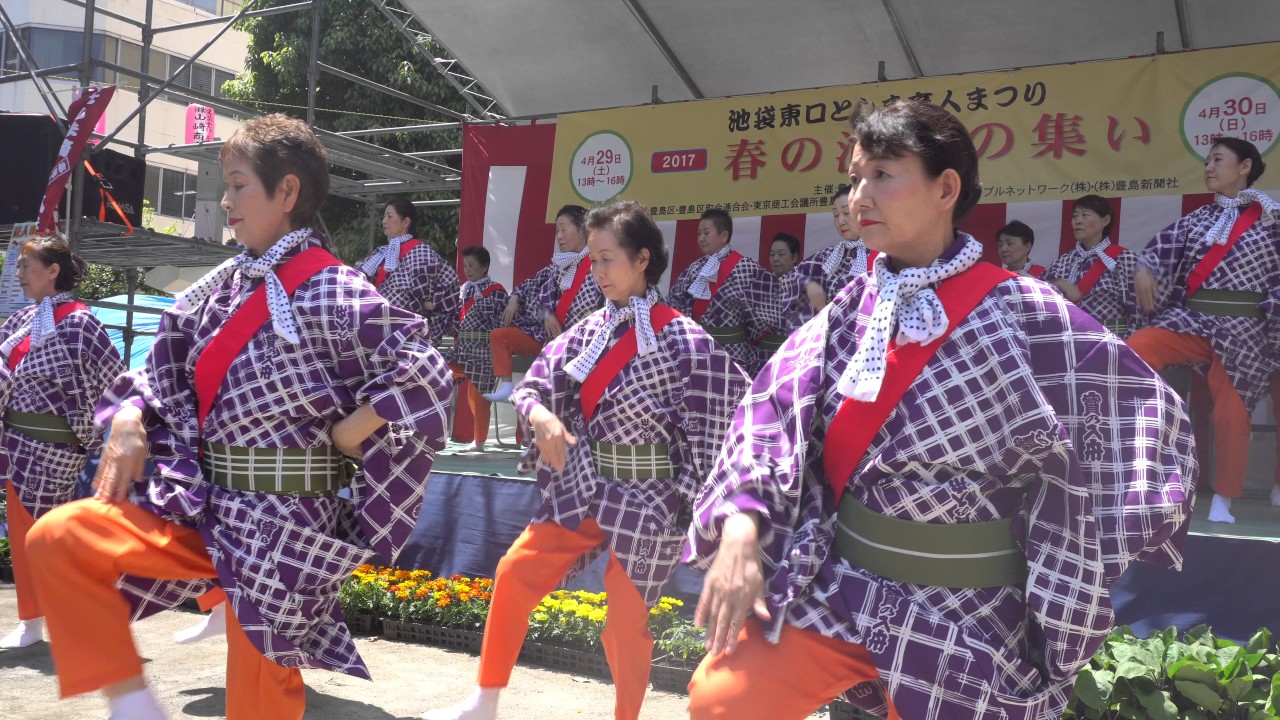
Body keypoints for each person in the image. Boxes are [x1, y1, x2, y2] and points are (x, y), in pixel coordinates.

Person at [683, 100, 1196, 720]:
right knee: (721, 701)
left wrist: (1081, 542)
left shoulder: (1028, 311)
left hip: (973, 614)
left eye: (881, 175)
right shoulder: (849, 310)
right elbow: (769, 413)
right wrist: (740, 522)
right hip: (843, 589)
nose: (859, 196)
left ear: (945, 188)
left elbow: (1145, 415)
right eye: (853, 178)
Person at [23, 114, 452, 720]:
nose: (225, 201)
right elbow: (155, 370)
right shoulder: (219, 286)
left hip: (284, 527)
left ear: (287, 193)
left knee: (259, 705)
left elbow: (425, 372)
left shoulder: (335, 289)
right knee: (58, 538)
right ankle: (132, 704)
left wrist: (352, 428)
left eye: (238, 184)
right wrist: (127, 416)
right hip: (204, 504)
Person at [422, 200, 750, 720]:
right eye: (592, 261)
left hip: (652, 500)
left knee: (624, 623)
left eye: (606, 259)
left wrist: (700, 498)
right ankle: (485, 699)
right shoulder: (590, 329)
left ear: (643, 259)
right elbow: (532, 386)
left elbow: (741, 410)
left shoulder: (685, 338)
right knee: (513, 573)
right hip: (586, 484)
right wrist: (542, 416)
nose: (596, 273)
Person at [1128, 137, 1280, 524]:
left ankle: (1224, 500)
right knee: (1134, 349)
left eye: (1217, 159)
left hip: (1246, 333)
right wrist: (1144, 268)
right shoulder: (1195, 220)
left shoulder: (1273, 218)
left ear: (1245, 166)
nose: (1208, 167)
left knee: (1230, 413)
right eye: (1207, 160)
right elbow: (1158, 250)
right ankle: (1132, 454)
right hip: (1193, 321)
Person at [0, 238, 124, 649]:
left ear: (53, 271)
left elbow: (118, 381)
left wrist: (112, 436)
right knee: (24, 535)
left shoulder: (82, 321)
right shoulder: (20, 319)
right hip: (15, 441)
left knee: (56, 537)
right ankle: (33, 621)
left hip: (57, 447)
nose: (19, 274)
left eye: (25, 265)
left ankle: (82, 614)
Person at [483, 205, 602, 402]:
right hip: (552, 343)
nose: (559, 236)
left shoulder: (600, 266)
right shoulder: (555, 268)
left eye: (564, 229)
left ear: (582, 230)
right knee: (531, 400)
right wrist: (540, 312)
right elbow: (527, 291)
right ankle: (507, 387)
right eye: (557, 230)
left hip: (584, 348)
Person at [667, 208, 784, 376]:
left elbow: (767, 316)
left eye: (707, 233)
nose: (701, 238)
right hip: (698, 351)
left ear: (724, 236)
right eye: (699, 233)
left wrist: (747, 339)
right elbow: (676, 305)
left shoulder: (746, 268)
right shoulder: (693, 269)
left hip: (733, 354)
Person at [356, 197, 461, 345]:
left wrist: (430, 303)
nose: (384, 221)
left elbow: (449, 281)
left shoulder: (421, 251)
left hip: (408, 328)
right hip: (381, 326)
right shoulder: (382, 253)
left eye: (389, 216)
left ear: (405, 222)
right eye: (384, 216)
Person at [781, 185, 876, 334]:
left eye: (846, 212)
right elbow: (786, 281)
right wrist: (807, 284)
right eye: (836, 215)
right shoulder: (829, 256)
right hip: (832, 339)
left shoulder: (884, 254)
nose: (841, 221)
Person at [1041, 195, 1139, 336]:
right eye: (1075, 216)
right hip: (1070, 346)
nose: (1078, 221)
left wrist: (1128, 348)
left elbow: (1140, 311)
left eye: (1085, 215)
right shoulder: (1063, 261)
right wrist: (1057, 283)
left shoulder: (1124, 259)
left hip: (1111, 344)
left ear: (1105, 220)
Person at [447, 245, 509, 452]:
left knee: (478, 396)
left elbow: (501, 322)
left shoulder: (497, 292)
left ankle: (479, 442)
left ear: (485, 267)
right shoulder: (462, 291)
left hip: (483, 351)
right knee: (436, 375)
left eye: (472, 265)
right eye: (465, 266)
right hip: (461, 349)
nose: (467, 270)